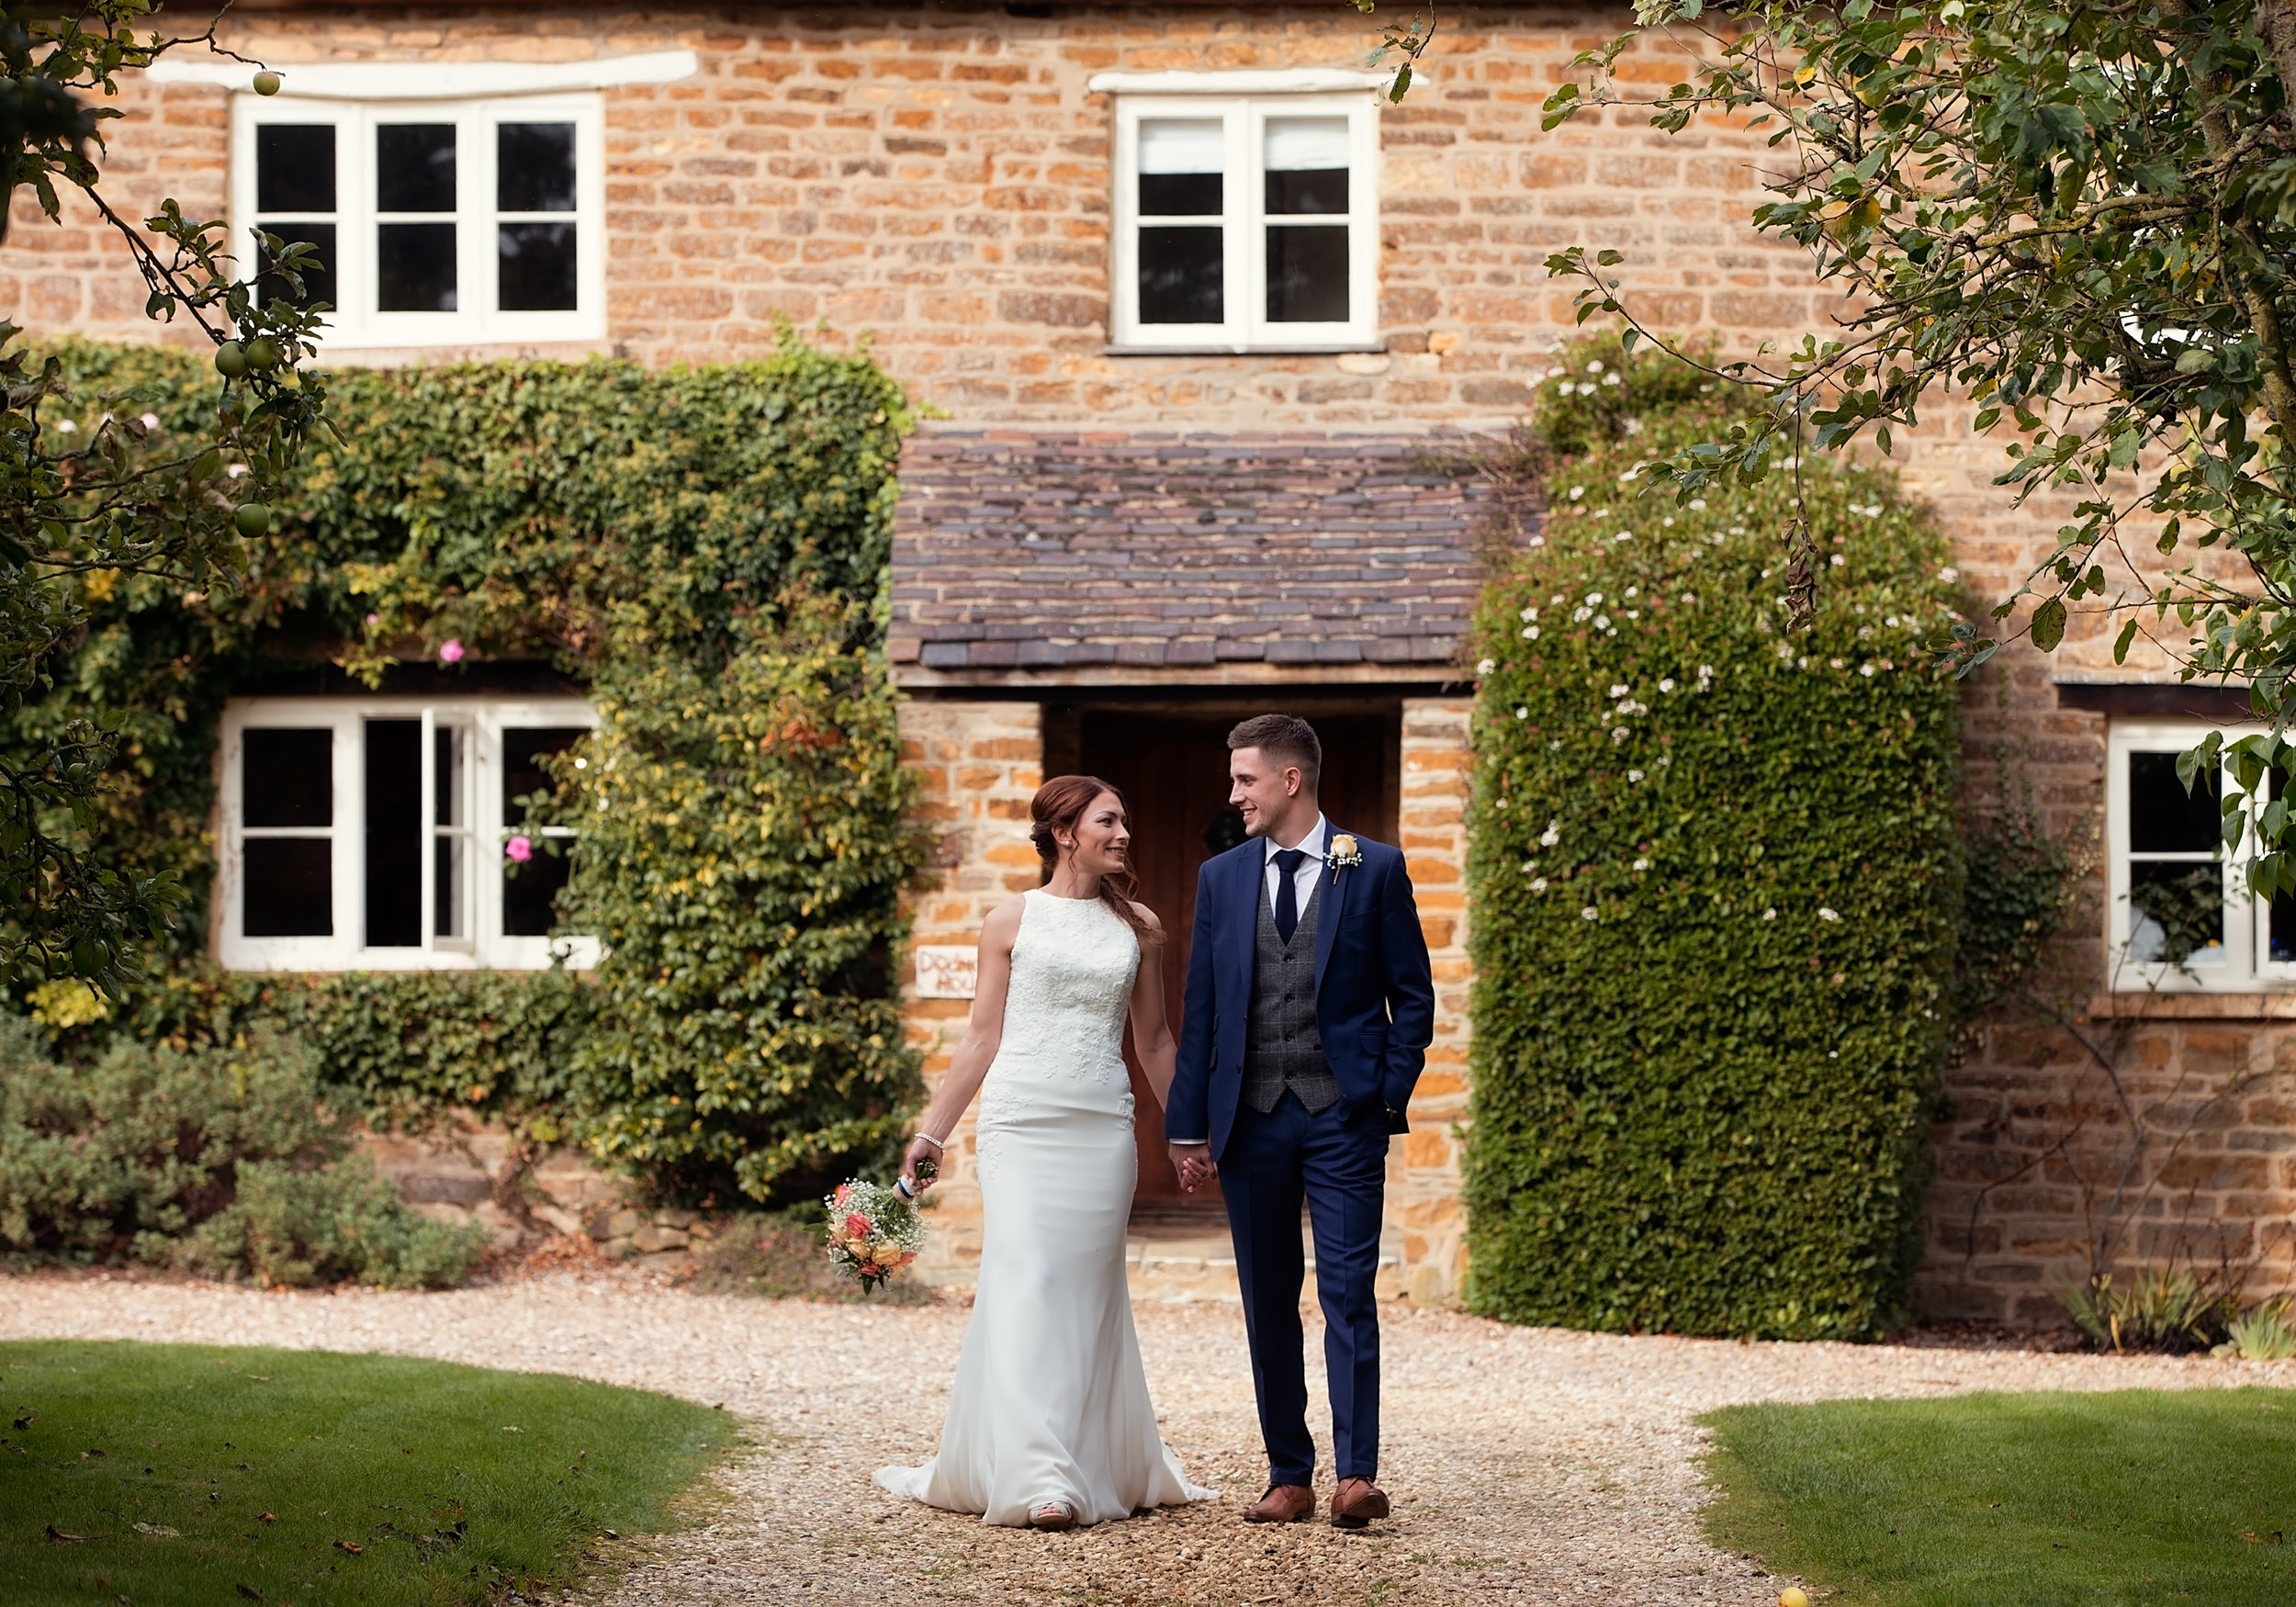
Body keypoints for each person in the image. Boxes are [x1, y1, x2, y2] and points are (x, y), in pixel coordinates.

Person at [875, 775, 1213, 1530]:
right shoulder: (1009, 920)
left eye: (1124, 821)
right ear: (1064, 833)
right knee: (1026, 1280)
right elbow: (980, 1038)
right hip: (1020, 1127)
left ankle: (1088, 1459)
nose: (1123, 834)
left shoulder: (1141, 926)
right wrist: (932, 1134)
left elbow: (1155, 1042)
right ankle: (1041, 1478)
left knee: (1087, 1295)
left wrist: (1186, 1131)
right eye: (1108, 821)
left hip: (1101, 1130)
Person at [1163, 714, 1435, 1529]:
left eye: (1245, 779)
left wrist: (1383, 1094)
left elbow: (1413, 997)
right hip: (1252, 1122)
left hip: (1343, 1118)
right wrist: (1188, 1128)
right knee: (1268, 1299)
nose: (1234, 795)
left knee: (1349, 1294)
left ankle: (1356, 1477)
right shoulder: (1222, 878)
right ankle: (1290, 1474)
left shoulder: (1374, 867)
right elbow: (1202, 1012)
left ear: (1290, 780)